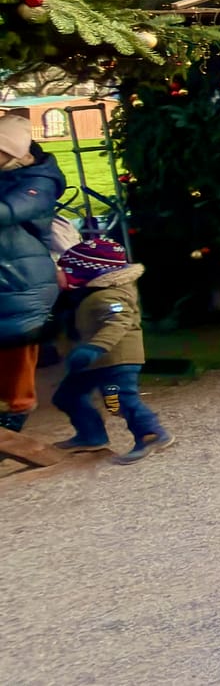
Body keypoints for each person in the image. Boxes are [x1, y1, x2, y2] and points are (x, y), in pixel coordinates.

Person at [51, 238, 172, 463]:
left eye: (69, 270)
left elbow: (118, 322)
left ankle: (151, 435)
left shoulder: (112, 294)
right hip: (93, 361)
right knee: (67, 396)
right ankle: (91, 435)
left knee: (120, 399)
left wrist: (94, 348)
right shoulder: (89, 293)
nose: (64, 275)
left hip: (117, 359)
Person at [0, 116, 64, 433]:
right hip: (7, 269)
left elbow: (12, 210)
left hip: (23, 278)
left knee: (17, 341)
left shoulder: (39, 181)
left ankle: (16, 411)